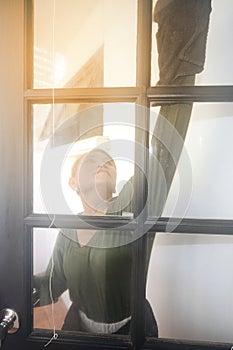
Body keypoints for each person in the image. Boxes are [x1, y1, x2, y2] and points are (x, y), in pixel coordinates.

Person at [33, 148, 158, 336]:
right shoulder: (68, 230)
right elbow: (52, 283)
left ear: (115, 185)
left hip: (133, 331)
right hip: (79, 329)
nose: (103, 163)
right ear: (73, 182)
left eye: (109, 162)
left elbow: (160, 158)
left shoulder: (130, 211)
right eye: (91, 161)